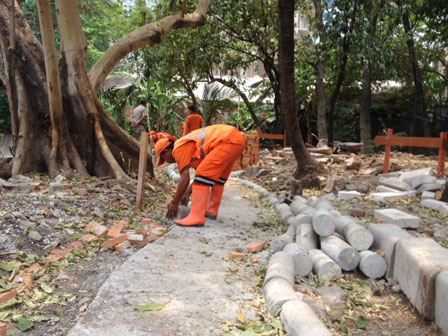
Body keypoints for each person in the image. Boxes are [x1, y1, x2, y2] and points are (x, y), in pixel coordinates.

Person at [155, 124, 246, 227]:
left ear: (166, 151)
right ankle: (211, 210)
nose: (166, 162)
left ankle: (196, 217)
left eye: (163, 159)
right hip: (236, 140)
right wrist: (186, 194)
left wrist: (174, 203)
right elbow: (200, 180)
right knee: (218, 177)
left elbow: (185, 179)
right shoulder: (189, 148)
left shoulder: (178, 149)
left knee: (203, 172)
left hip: (227, 140)